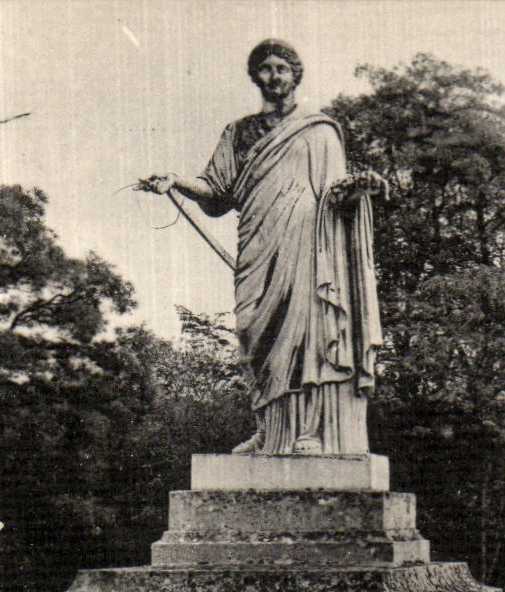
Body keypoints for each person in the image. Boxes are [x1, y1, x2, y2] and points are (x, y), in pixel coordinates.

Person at [140, 39, 385, 455]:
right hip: (257, 243)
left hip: (308, 244)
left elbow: (334, 193)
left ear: (295, 75)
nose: (274, 76)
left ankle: (309, 430)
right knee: (255, 332)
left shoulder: (320, 130)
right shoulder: (238, 132)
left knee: (306, 335)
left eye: (282, 69)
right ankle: (268, 429)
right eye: (266, 69)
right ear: (256, 76)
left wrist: (359, 189)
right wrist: (175, 181)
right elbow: (217, 193)